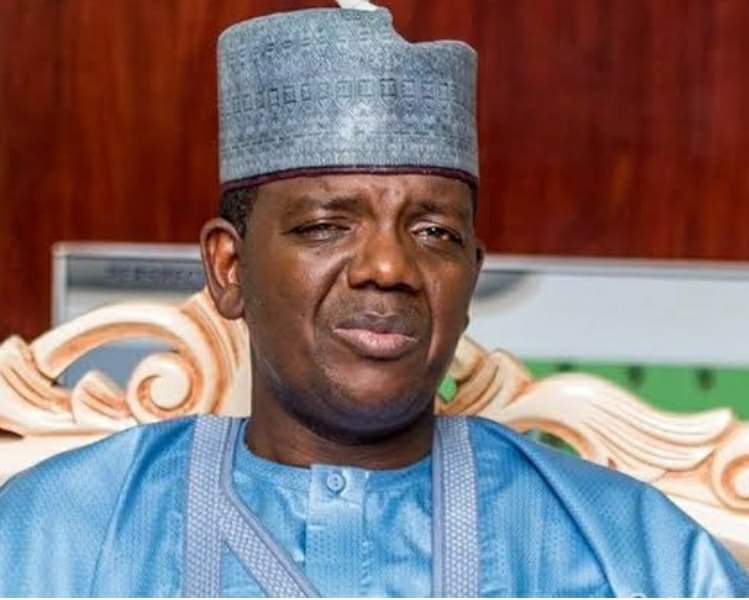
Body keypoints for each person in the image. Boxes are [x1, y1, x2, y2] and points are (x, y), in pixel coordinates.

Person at [1, 2, 748, 597]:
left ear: (471, 276)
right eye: (326, 226)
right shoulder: (57, 533)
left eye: (434, 232)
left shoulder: (633, 555)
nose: (389, 267)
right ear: (229, 269)